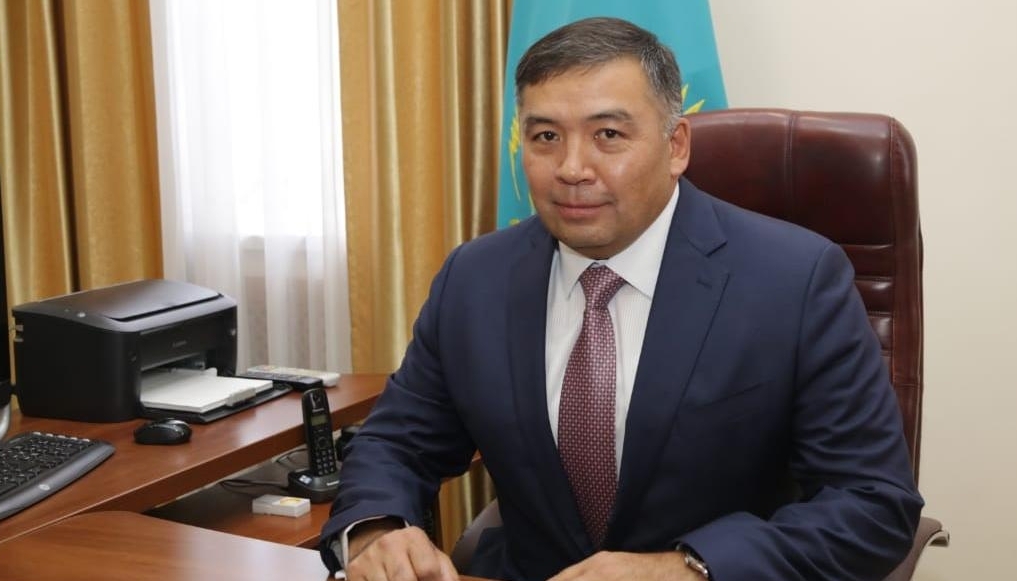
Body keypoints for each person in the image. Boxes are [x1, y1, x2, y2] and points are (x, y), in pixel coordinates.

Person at [320, 16, 923, 581]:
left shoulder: (795, 279)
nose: (571, 168)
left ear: (676, 145)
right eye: (545, 136)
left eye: (607, 135)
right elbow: (398, 442)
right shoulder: (475, 278)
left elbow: (872, 504)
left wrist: (684, 568)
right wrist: (376, 529)